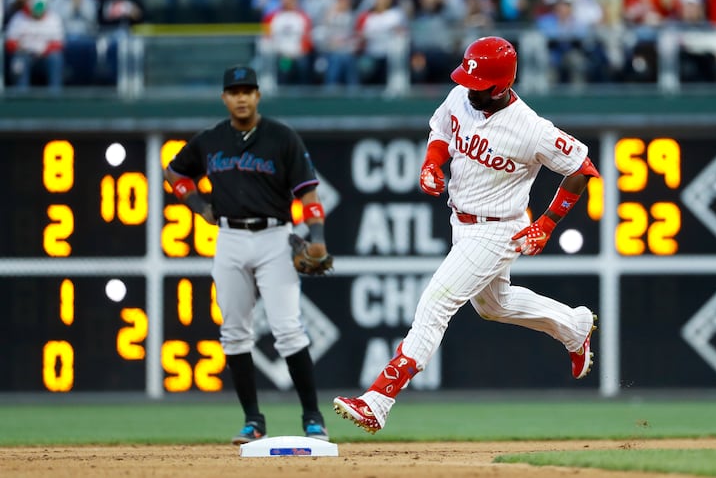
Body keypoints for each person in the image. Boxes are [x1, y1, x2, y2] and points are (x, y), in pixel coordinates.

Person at [333, 36, 600, 434]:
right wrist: (431, 163)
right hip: (462, 222)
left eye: (479, 85)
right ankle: (572, 325)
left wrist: (546, 224)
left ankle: (379, 398)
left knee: (436, 302)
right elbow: (440, 129)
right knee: (493, 305)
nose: (469, 88)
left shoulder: (531, 128)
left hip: (497, 229)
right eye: (467, 80)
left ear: (501, 85)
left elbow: (582, 168)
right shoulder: (462, 94)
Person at [163, 64, 331, 444]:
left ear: (257, 95)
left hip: (275, 237)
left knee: (288, 329)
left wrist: (317, 234)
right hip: (229, 237)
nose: (241, 97)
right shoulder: (210, 140)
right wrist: (197, 205)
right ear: (225, 98)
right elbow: (174, 174)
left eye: (247, 90)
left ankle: (313, 418)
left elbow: (307, 193)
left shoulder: (282, 138)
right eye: (234, 91)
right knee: (234, 333)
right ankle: (253, 421)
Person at [4, 0, 65, 92]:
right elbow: (9, 42)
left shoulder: (53, 19)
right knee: (19, 61)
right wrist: (19, 47)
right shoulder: (19, 18)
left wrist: (45, 50)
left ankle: (55, 97)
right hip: (25, 55)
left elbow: (59, 44)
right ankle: (21, 97)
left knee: (56, 58)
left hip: (45, 56)